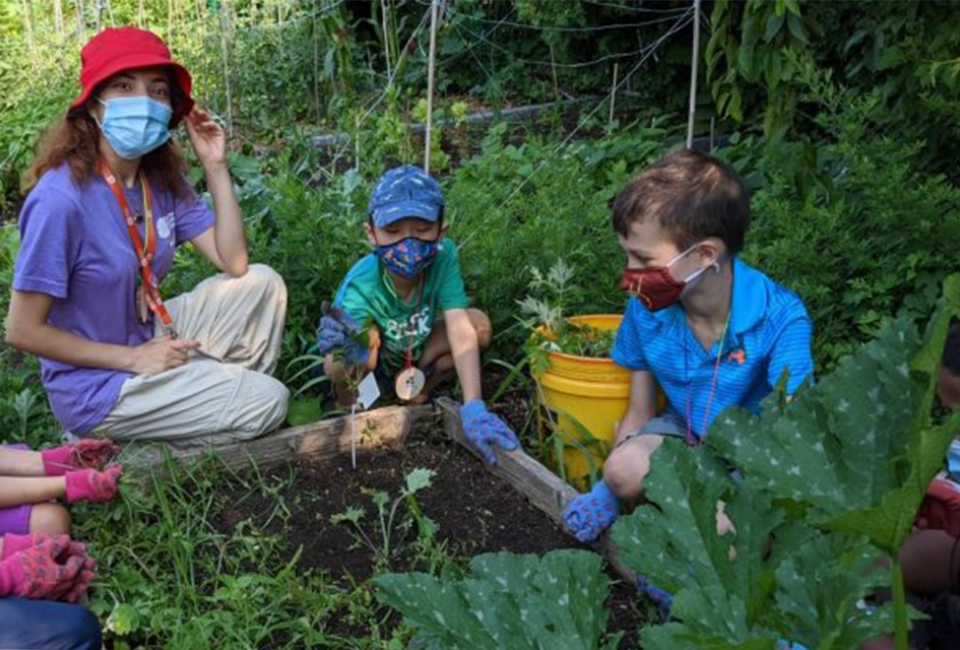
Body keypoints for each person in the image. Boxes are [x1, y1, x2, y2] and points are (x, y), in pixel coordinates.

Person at [5, 27, 289, 448]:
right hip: (98, 385)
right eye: (124, 85)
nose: (144, 101)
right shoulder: (60, 200)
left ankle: (198, 399)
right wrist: (134, 359)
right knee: (270, 401)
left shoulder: (158, 178)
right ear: (94, 104)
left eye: (157, 90)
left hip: (147, 334)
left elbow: (234, 262)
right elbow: (22, 331)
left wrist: (215, 166)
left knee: (263, 285)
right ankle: (140, 436)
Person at [562, 148, 815, 543]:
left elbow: (794, 440)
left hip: (754, 459)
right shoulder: (647, 310)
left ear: (704, 254)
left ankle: (686, 551)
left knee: (735, 536)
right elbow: (640, 411)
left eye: (642, 259)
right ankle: (670, 531)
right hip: (685, 437)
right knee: (622, 469)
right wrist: (616, 488)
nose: (630, 274)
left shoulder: (780, 320)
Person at [316, 165, 518, 466]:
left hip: (415, 351)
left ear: (441, 231)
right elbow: (346, 356)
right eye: (393, 231)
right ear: (371, 234)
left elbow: (459, 327)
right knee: (353, 349)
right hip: (375, 366)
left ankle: (414, 388)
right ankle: (359, 403)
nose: (408, 244)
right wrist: (346, 351)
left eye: (422, 230)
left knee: (477, 325)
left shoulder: (444, 255)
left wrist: (474, 404)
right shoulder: (363, 281)